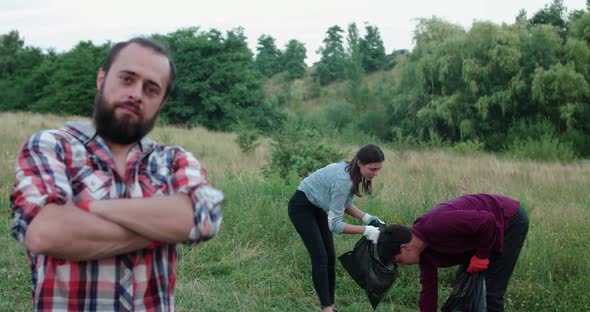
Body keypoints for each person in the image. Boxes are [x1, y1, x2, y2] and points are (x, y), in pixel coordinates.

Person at [10, 37, 224, 311]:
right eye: (127, 79)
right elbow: (45, 233)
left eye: (151, 89)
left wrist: (90, 208)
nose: (136, 93)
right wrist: (167, 226)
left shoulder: (175, 160)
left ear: (161, 102)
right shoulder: (50, 146)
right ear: (102, 78)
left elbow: (203, 218)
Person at [378, 194, 529, 312]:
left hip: (507, 220)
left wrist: (481, 256)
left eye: (399, 260)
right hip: (481, 237)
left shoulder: (437, 225)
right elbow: (429, 290)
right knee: (464, 292)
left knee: (490, 292)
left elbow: (488, 221)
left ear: (405, 247)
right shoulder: (423, 251)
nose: (403, 265)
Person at [288, 144, 386, 312]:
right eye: (372, 169)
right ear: (360, 163)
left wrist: (366, 217)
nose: (375, 173)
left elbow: (344, 204)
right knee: (320, 256)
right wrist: (366, 230)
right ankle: (326, 308)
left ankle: (330, 306)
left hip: (317, 207)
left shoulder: (351, 171)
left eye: (378, 169)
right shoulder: (343, 180)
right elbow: (335, 225)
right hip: (301, 207)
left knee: (330, 257)